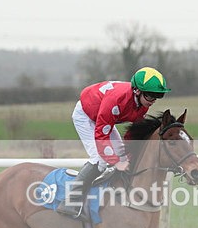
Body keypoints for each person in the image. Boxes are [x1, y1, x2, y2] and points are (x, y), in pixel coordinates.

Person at [56, 66, 170, 217]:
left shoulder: (142, 105)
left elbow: (132, 133)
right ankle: (70, 202)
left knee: (122, 156)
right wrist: (115, 161)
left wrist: (126, 156)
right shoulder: (116, 100)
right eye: (150, 95)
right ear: (137, 91)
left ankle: (115, 193)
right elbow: (101, 135)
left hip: (102, 118)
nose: (153, 100)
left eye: (157, 96)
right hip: (85, 116)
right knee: (100, 159)